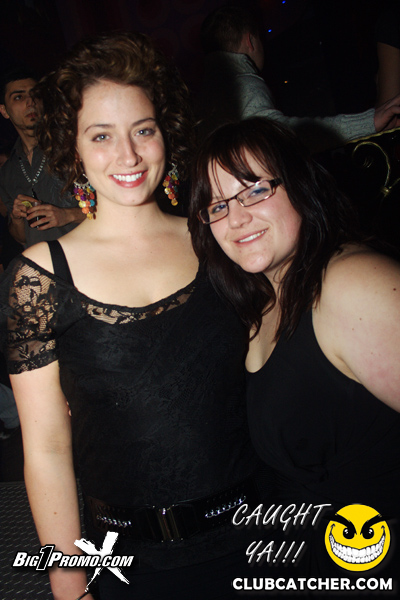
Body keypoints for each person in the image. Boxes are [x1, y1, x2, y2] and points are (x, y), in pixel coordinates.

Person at [0, 33, 264, 600]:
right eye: (101, 135)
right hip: (127, 565)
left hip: (255, 539)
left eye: (143, 130)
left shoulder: (219, 237)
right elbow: (46, 448)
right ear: (73, 147)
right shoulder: (40, 277)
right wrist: (69, 584)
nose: (128, 156)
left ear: (166, 132)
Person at [189, 117, 400, 583]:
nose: (235, 218)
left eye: (255, 190)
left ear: (300, 185)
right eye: (217, 205)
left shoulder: (352, 283)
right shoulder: (262, 300)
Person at [198, 4, 400, 152]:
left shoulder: (201, 96)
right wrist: (368, 122)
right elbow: (282, 136)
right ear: (250, 41)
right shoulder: (244, 83)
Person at [0, 68, 85, 247]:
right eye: (19, 97)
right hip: (44, 262)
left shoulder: (72, 147)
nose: (30, 102)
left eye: (36, 95)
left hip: (88, 256)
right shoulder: (7, 172)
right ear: (4, 111)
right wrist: (16, 218)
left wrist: (68, 215)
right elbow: (22, 238)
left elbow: (117, 208)